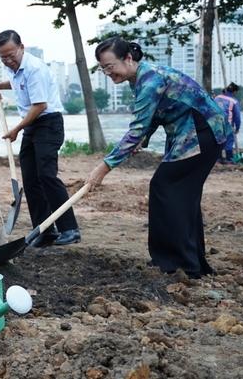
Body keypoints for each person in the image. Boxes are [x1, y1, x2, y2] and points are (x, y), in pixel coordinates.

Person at [85, 37, 229, 279]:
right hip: (191, 132)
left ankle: (179, 262)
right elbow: (153, 117)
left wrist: (104, 166)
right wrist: (144, 138)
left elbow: (136, 128)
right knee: (181, 194)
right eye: (103, 69)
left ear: (128, 58)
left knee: (166, 187)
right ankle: (186, 262)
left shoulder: (150, 80)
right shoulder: (138, 79)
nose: (108, 73)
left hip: (202, 130)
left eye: (111, 66)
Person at [0, 30, 80, 247]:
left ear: (22, 48)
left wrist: (16, 130)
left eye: (11, 55)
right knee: (30, 179)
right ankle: (44, 230)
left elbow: (40, 106)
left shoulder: (34, 68)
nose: (8, 60)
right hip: (32, 125)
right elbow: (15, 83)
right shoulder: (14, 68)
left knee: (47, 175)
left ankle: (70, 229)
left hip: (48, 124)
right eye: (3, 57)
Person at [214, 83, 241, 164]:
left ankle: (218, 160)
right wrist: (238, 127)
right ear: (235, 92)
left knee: (218, 142)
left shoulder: (217, 98)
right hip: (227, 125)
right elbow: (237, 116)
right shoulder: (234, 101)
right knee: (229, 142)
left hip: (216, 124)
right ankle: (230, 160)